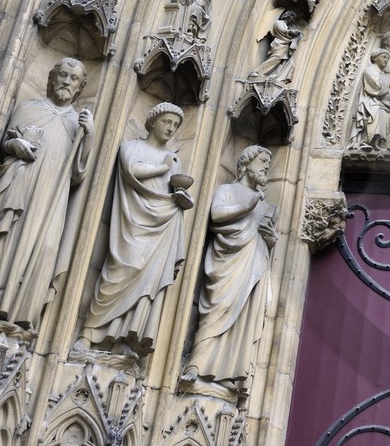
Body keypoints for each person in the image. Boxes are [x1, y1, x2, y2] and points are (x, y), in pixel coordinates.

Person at [0, 59, 92, 328]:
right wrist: (13, 143)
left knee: (45, 246)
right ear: (51, 79)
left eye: (73, 78)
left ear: (79, 87)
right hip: (19, 186)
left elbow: (78, 173)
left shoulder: (78, 123)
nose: (66, 81)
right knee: (6, 237)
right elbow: (5, 143)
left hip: (51, 196)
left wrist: (90, 135)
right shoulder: (29, 109)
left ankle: (20, 308)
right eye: (62, 75)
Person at [82, 103, 195, 352]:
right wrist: (164, 167)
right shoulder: (132, 147)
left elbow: (174, 192)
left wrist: (184, 201)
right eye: (167, 122)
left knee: (147, 284)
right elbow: (132, 169)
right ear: (152, 121)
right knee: (120, 269)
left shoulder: (174, 161)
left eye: (176, 126)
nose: (171, 128)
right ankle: (90, 331)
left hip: (161, 227)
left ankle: (125, 338)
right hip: (131, 223)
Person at [184, 147, 278, 388]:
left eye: (269, 162)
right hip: (227, 262)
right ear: (247, 162)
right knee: (220, 306)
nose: (267, 166)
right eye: (263, 160)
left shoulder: (262, 203)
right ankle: (196, 364)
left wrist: (271, 239)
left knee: (243, 313)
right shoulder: (227, 190)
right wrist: (247, 206)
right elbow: (216, 215)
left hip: (252, 262)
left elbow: (262, 233)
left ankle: (230, 372)